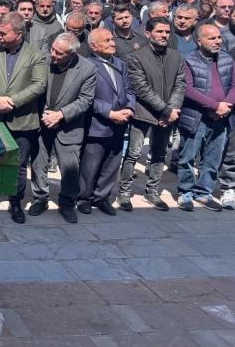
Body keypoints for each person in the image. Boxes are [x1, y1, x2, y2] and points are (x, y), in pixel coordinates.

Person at [0, 12, 47, 224]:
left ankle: (15, 202)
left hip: (22, 120)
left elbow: (39, 84)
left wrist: (12, 101)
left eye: (3, 33)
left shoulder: (36, 55)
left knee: (18, 164)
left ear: (18, 33)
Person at [118, 18, 186, 212]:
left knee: (159, 154)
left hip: (168, 114)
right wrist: (166, 110)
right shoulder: (135, 57)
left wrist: (172, 109)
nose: (164, 35)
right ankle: (124, 192)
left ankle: (152, 191)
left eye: (167, 32)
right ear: (148, 34)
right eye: (159, 31)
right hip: (143, 112)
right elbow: (141, 88)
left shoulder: (176, 57)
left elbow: (180, 84)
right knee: (133, 153)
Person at [29, 33, 96, 224]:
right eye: (53, 49)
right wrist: (45, 113)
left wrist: (60, 115)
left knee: (70, 167)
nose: (53, 55)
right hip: (42, 121)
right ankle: (40, 198)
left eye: (59, 53)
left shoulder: (87, 69)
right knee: (38, 162)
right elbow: (35, 88)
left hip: (69, 125)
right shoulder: (44, 61)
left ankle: (67, 203)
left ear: (72, 54)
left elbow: (85, 100)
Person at [175, 24, 235, 211]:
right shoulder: (189, 60)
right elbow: (188, 89)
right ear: (199, 41)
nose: (218, 41)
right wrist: (214, 106)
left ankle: (203, 192)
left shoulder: (227, 58)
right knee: (188, 156)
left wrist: (225, 106)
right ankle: (185, 191)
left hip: (222, 117)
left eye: (219, 37)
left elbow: (234, 85)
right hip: (196, 117)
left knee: (213, 158)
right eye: (212, 38)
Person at [79, 28, 135, 215]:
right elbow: (87, 97)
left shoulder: (120, 63)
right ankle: (84, 198)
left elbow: (129, 89)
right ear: (94, 46)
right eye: (107, 40)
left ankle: (101, 197)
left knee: (112, 164)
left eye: (112, 39)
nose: (112, 43)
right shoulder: (86, 65)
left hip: (120, 123)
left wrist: (129, 108)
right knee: (90, 165)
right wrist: (110, 113)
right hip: (98, 125)